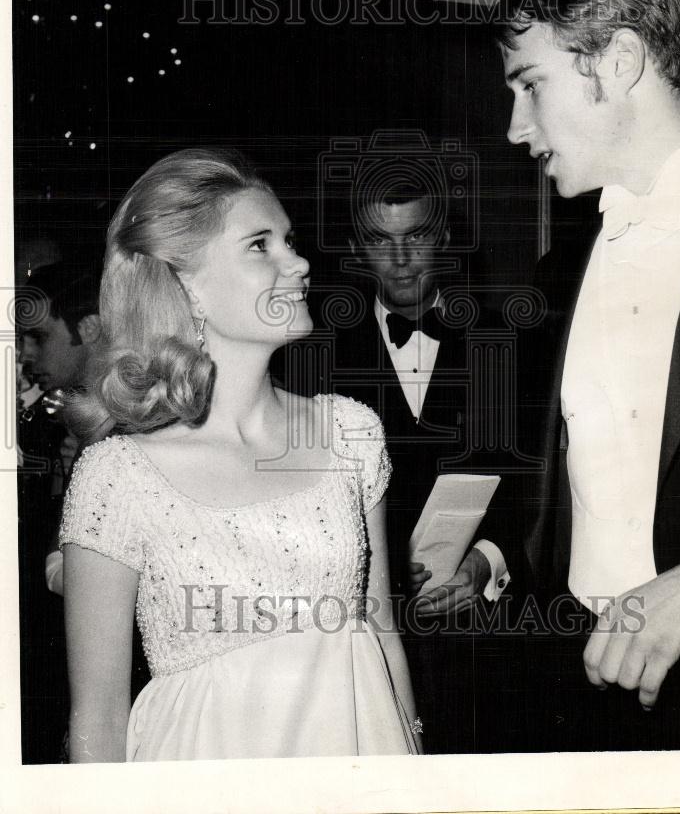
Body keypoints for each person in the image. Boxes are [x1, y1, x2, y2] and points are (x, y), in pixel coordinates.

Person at [59, 148, 420, 762]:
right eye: (260, 245)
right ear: (184, 285)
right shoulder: (116, 478)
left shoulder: (350, 433)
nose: (299, 262)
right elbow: (97, 714)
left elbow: (382, 632)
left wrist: (419, 779)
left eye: (289, 240)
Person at [498, 0, 680, 750]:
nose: (515, 129)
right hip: (570, 689)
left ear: (616, 62)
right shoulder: (561, 269)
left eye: (529, 86)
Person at [300, 152, 524, 753]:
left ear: (444, 237)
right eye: (379, 239)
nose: (399, 259)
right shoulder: (311, 353)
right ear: (356, 246)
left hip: (485, 643)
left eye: (416, 236)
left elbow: (533, 484)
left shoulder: (502, 341)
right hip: (356, 643)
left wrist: (485, 563)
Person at [16, 260, 101, 763]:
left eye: (39, 338)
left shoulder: (130, 429)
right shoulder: (59, 421)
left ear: (88, 330)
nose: (26, 356)